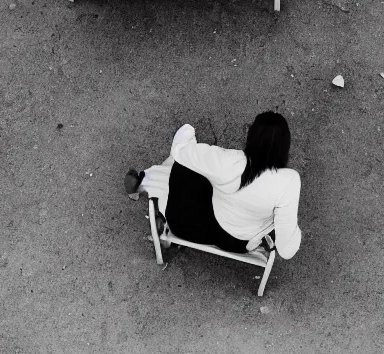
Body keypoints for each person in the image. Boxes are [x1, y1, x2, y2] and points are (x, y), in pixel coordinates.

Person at [124, 111, 302, 259]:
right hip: (239, 244)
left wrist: (187, 132)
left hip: (190, 227)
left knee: (184, 168)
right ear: (285, 147)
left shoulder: (229, 160)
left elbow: (180, 152)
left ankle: (148, 185)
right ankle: (151, 191)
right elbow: (287, 251)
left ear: (251, 138)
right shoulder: (289, 182)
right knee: (201, 174)